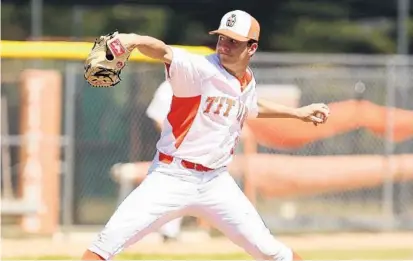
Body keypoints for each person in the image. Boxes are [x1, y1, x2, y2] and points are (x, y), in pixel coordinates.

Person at [82, 9, 330, 261]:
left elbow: (252, 106)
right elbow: (164, 51)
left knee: (270, 250)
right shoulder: (199, 69)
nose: (225, 45)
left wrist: (297, 113)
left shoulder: (246, 81)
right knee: (104, 246)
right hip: (171, 177)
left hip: (216, 182)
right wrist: (134, 39)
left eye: (233, 41)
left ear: (251, 48)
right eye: (222, 38)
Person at [146, 80, 183, 242]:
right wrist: (173, 139)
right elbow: (158, 118)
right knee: (168, 189)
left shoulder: (200, 83)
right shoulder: (167, 88)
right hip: (172, 148)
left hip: (193, 148)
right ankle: (167, 231)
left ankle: (170, 232)